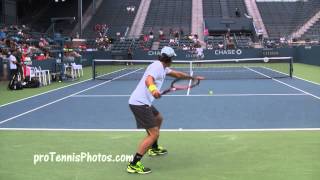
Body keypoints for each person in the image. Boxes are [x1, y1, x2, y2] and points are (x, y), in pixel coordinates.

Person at [127, 46, 204, 174]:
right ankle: (134, 164)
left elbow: (177, 74)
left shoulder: (163, 67)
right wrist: (153, 90)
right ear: (170, 58)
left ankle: (154, 148)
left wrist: (193, 78)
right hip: (139, 103)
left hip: (145, 102)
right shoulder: (157, 66)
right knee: (154, 134)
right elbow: (148, 80)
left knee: (158, 118)